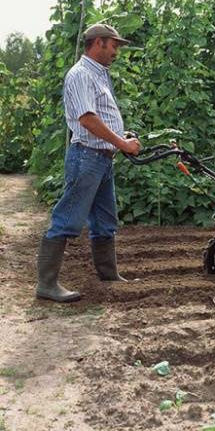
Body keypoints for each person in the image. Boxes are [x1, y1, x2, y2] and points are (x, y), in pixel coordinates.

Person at [35, 23, 142, 303]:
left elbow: (101, 116)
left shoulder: (99, 74)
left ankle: (109, 276)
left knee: (105, 221)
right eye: (114, 45)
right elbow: (87, 118)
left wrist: (121, 137)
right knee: (67, 218)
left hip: (102, 158)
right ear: (98, 43)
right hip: (87, 157)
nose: (116, 51)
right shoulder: (81, 74)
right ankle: (46, 285)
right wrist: (121, 143)